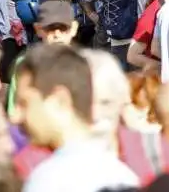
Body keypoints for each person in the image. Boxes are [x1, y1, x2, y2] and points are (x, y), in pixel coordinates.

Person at [13, 43, 140, 191]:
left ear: (60, 101)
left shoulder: (48, 180)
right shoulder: (123, 174)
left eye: (24, 103)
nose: (15, 116)